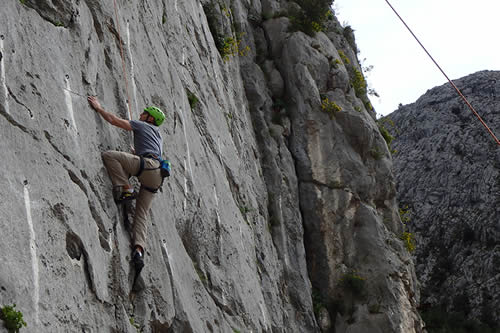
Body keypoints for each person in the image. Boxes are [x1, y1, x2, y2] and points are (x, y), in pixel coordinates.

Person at [87, 96, 165, 271]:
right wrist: (138, 153)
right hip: (157, 175)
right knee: (142, 214)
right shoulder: (158, 135)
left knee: (109, 156)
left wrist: (99, 108)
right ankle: (138, 250)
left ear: (150, 119)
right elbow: (151, 150)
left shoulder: (142, 125)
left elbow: (114, 121)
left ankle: (126, 189)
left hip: (147, 166)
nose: (141, 114)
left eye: (145, 113)